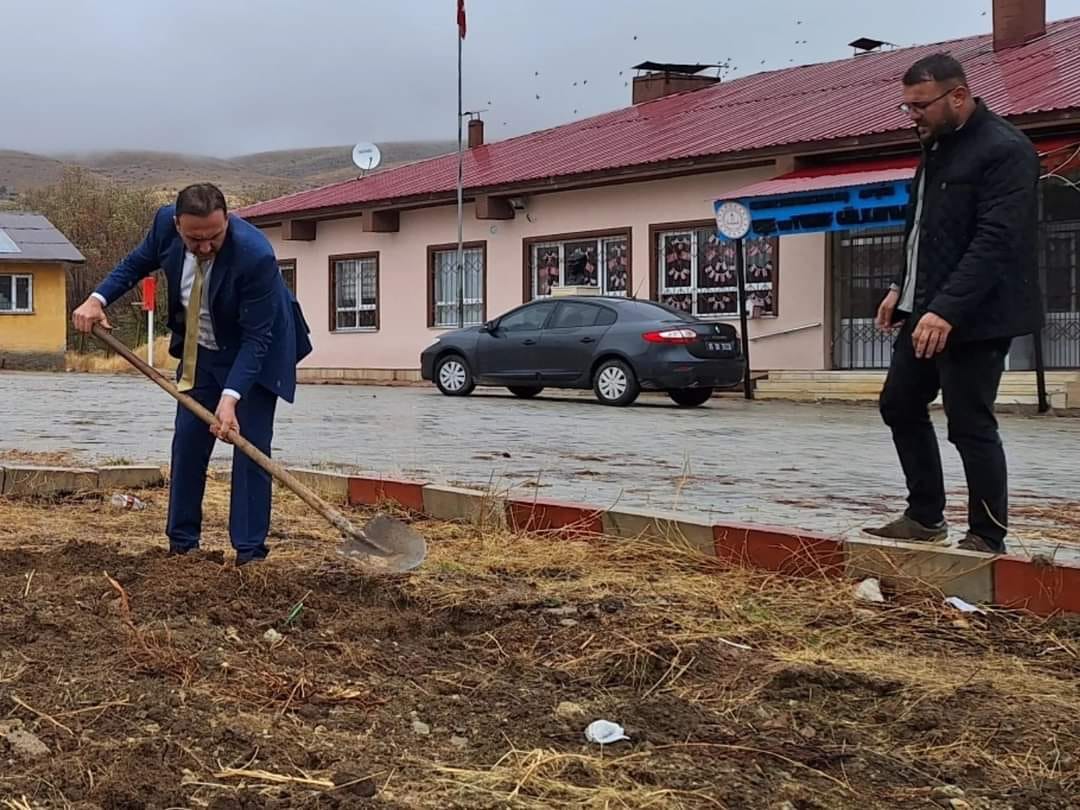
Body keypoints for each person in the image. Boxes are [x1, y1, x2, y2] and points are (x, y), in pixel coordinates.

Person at [73, 183, 312, 565]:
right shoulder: (164, 225)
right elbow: (135, 264)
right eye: (194, 238)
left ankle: (250, 556)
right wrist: (96, 299)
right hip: (200, 351)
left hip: (256, 352)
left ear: (228, 220)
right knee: (188, 442)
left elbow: (257, 338)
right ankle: (183, 547)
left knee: (250, 449)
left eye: (213, 237)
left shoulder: (255, 256)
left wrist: (231, 398)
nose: (203, 247)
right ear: (177, 224)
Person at [865, 54, 1042, 554]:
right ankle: (924, 517)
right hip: (924, 311)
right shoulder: (936, 149)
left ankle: (987, 535)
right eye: (907, 106)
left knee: (969, 422)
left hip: (977, 317)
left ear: (958, 96)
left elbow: (995, 241)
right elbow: (922, 230)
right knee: (899, 403)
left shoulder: (1005, 151)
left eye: (919, 105)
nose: (912, 115)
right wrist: (903, 287)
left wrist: (947, 309)